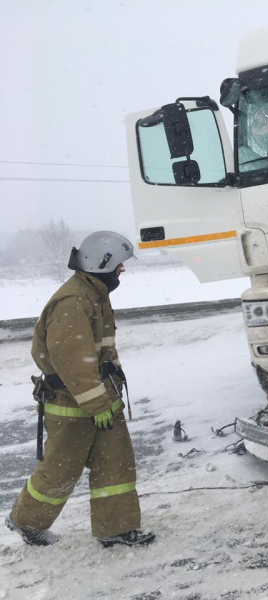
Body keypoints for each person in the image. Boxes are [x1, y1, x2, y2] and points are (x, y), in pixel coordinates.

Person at [6, 232, 155, 548]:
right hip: (72, 403)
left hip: (101, 398)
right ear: (102, 264)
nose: (122, 271)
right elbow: (75, 364)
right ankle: (25, 521)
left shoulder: (95, 294)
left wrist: (108, 396)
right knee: (60, 471)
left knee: (116, 463)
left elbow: (101, 354)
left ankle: (116, 529)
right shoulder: (74, 302)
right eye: (118, 265)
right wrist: (98, 404)